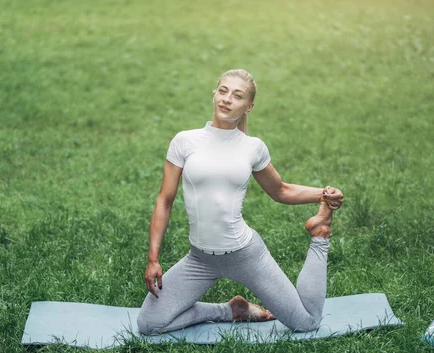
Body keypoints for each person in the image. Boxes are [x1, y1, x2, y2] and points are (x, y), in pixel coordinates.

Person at [137, 69, 344, 335]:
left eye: (237, 96)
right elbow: (165, 201)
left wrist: (323, 195)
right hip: (199, 259)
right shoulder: (185, 141)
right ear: (214, 94)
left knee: (307, 323)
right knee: (149, 325)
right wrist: (153, 258)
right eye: (223, 91)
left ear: (249, 106)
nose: (227, 99)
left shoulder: (252, 147)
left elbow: (280, 190)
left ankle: (320, 233)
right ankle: (230, 310)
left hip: (245, 255)